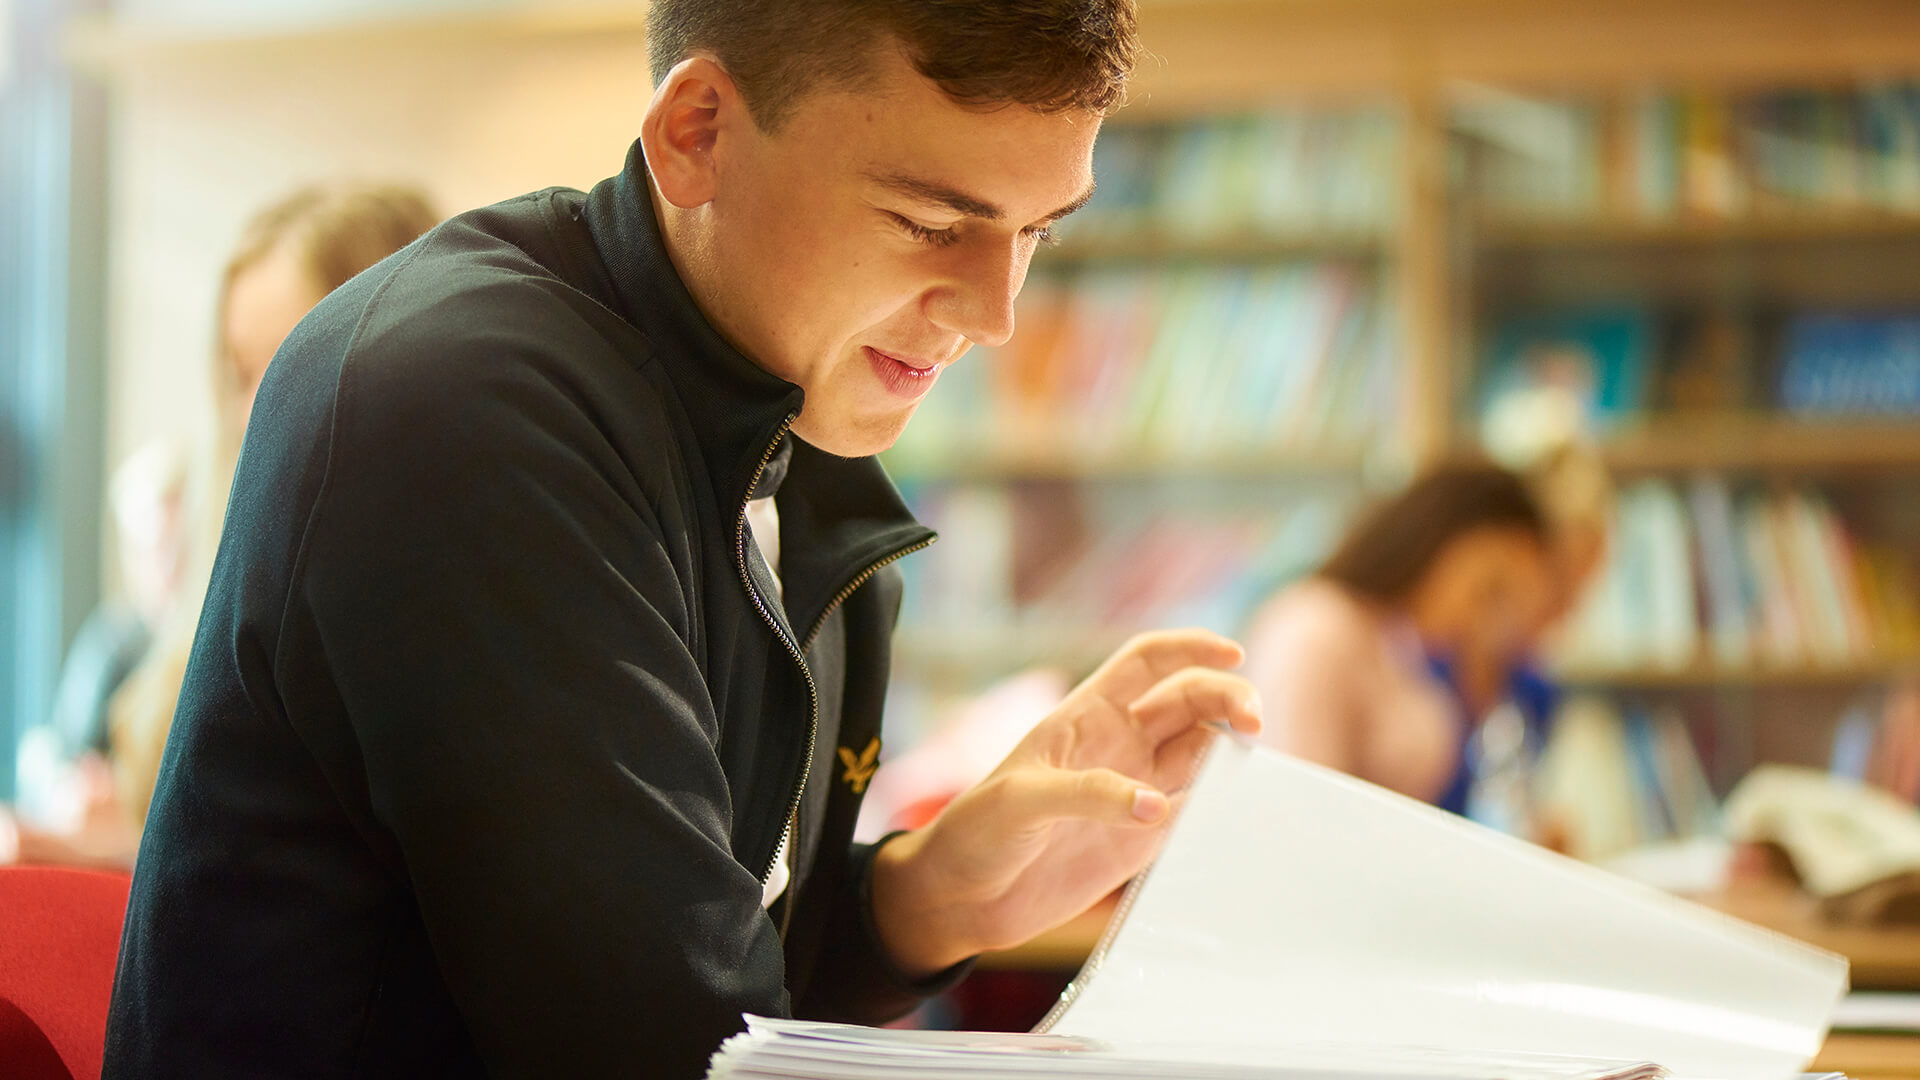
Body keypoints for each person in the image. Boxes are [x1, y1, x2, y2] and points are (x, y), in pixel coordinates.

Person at [103, 4, 1261, 1077]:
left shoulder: (802, 439)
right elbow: (661, 1043)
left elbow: (735, 982)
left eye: (1037, 235)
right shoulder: (460, 400)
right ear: (696, 131)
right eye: (929, 222)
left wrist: (922, 900)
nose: (997, 314)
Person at [0, 184, 439, 871]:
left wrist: (84, 851)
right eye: (240, 374)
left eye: (290, 361)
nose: (249, 413)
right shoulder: (230, 575)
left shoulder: (400, 604)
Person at [1245, 462, 1576, 812]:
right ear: (1438, 539)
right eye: (1489, 589)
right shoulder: (1315, 629)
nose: (1482, 620)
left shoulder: (1397, 638)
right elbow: (1297, 811)